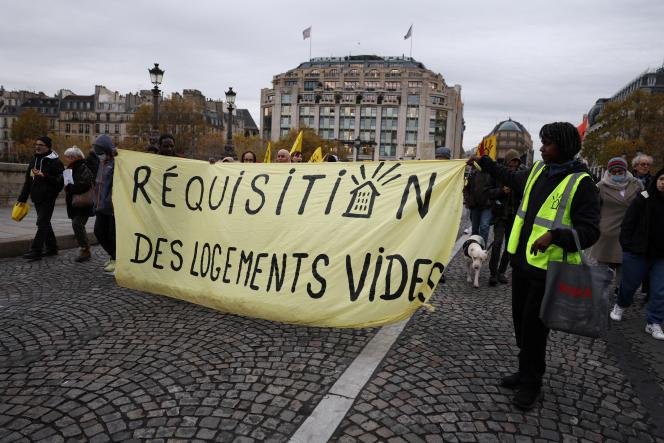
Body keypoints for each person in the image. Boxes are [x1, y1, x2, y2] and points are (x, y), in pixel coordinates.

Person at [467, 122, 600, 410]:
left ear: (563, 146)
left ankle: (532, 383)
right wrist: (484, 162)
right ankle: (524, 370)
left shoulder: (582, 183)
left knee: (535, 329)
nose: (541, 148)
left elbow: (590, 231)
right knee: (521, 324)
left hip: (550, 271)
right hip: (523, 265)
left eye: (547, 143)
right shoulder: (539, 170)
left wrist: (556, 236)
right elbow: (512, 178)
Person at [609, 168, 664, 340]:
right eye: (662, 178)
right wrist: (626, 245)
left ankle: (654, 322)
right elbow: (628, 222)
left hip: (661, 256)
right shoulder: (644, 197)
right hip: (638, 251)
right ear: (656, 180)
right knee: (629, 284)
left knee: (660, 290)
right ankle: (620, 305)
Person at [590, 157, 643, 278]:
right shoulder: (600, 186)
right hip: (606, 234)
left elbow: (644, 204)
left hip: (628, 233)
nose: (617, 174)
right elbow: (593, 209)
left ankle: (620, 295)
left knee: (625, 272)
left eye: (620, 171)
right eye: (614, 172)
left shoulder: (636, 184)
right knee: (601, 274)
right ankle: (600, 295)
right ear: (609, 172)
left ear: (625, 171)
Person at [17, 136, 64, 261]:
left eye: (41, 145)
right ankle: (52, 248)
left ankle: (36, 250)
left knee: (42, 223)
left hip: (48, 198)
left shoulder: (55, 162)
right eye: (36, 144)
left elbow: (60, 182)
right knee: (45, 223)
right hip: (36, 197)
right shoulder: (34, 160)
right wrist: (22, 198)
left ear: (48, 147)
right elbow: (28, 181)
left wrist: (45, 176)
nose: (37, 146)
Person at [488, 149, 523, 285]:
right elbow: (489, 192)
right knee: (497, 243)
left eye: (515, 165)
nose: (513, 168)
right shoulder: (498, 175)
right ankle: (492, 273)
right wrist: (501, 191)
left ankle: (501, 272)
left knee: (510, 246)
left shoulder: (520, 175)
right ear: (506, 163)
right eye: (511, 165)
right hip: (500, 215)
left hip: (514, 216)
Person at [63, 146, 95, 262]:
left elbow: (84, 184)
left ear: (77, 157)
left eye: (71, 156)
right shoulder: (69, 169)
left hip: (83, 203)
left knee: (77, 224)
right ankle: (84, 248)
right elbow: (67, 186)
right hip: (74, 203)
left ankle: (85, 249)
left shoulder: (83, 167)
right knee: (77, 225)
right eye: (67, 156)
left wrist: (70, 188)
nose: (68, 158)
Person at [92, 134, 117, 273]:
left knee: (112, 234)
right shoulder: (102, 163)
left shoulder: (116, 163)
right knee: (99, 232)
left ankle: (116, 258)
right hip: (101, 206)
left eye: (101, 152)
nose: (99, 155)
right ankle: (113, 256)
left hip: (112, 207)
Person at [463, 167, 497, 245]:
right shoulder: (472, 174)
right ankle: (474, 247)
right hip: (475, 206)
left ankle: (482, 247)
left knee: (484, 227)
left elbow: (496, 188)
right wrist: (468, 200)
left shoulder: (492, 173)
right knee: (475, 229)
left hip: (487, 206)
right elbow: (466, 188)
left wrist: (492, 199)